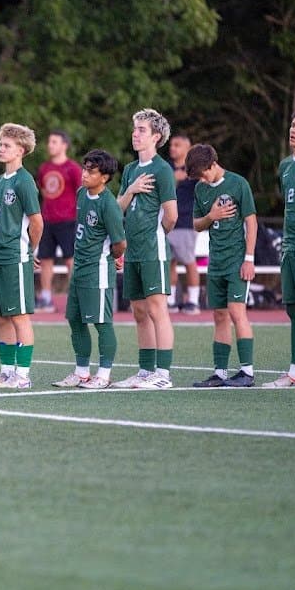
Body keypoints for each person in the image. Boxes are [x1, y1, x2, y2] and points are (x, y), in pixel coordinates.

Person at [112, 108, 177, 389]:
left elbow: (171, 215)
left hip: (153, 249)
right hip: (133, 250)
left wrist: (155, 239)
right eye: (134, 128)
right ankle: (145, 371)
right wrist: (132, 190)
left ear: (156, 136)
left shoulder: (162, 169)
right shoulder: (129, 170)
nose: (135, 134)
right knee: (138, 311)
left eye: (141, 130)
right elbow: (116, 209)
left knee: (156, 309)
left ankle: (162, 375)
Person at [0, 123, 43, 389]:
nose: (1, 149)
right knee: (2, 316)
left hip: (16, 256)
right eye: (0, 144)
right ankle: (5, 373)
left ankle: (22, 376)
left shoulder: (25, 181)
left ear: (21, 150)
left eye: (7, 145)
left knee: (19, 316)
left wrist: (30, 249)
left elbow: (37, 222)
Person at [51, 150, 126, 389]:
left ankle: (103, 375)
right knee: (75, 319)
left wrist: (112, 257)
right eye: (84, 169)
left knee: (102, 322)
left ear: (104, 177)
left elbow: (119, 242)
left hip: (99, 270)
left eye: (91, 171)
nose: (84, 174)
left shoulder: (109, 204)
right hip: (79, 268)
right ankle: (81, 372)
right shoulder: (81, 194)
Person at [186, 144, 257, 387]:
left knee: (237, 312)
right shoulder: (200, 188)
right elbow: (196, 224)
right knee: (219, 315)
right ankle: (220, 373)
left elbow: (251, 222)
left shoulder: (238, 183)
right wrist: (211, 217)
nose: (202, 179)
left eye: (203, 173)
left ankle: (247, 373)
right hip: (215, 261)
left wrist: (249, 258)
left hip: (237, 261)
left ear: (213, 164)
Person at [263, 109, 295, 388]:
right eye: (293, 126)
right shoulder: (285, 166)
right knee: (294, 308)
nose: (294, 130)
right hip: (289, 243)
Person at [35, 130, 82, 313]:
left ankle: (75, 297)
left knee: (71, 260)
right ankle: (46, 298)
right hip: (47, 220)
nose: (50, 145)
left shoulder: (73, 168)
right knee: (45, 259)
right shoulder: (44, 168)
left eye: (54, 142)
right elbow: (43, 189)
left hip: (68, 220)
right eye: (49, 142)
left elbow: (81, 193)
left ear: (64, 145)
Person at [166, 133, 201, 313]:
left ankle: (193, 301)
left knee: (188, 261)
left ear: (188, 148)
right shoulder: (166, 167)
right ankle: (171, 301)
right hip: (166, 222)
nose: (173, 148)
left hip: (185, 222)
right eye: (172, 144)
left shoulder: (195, 170)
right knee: (169, 261)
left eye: (177, 145)